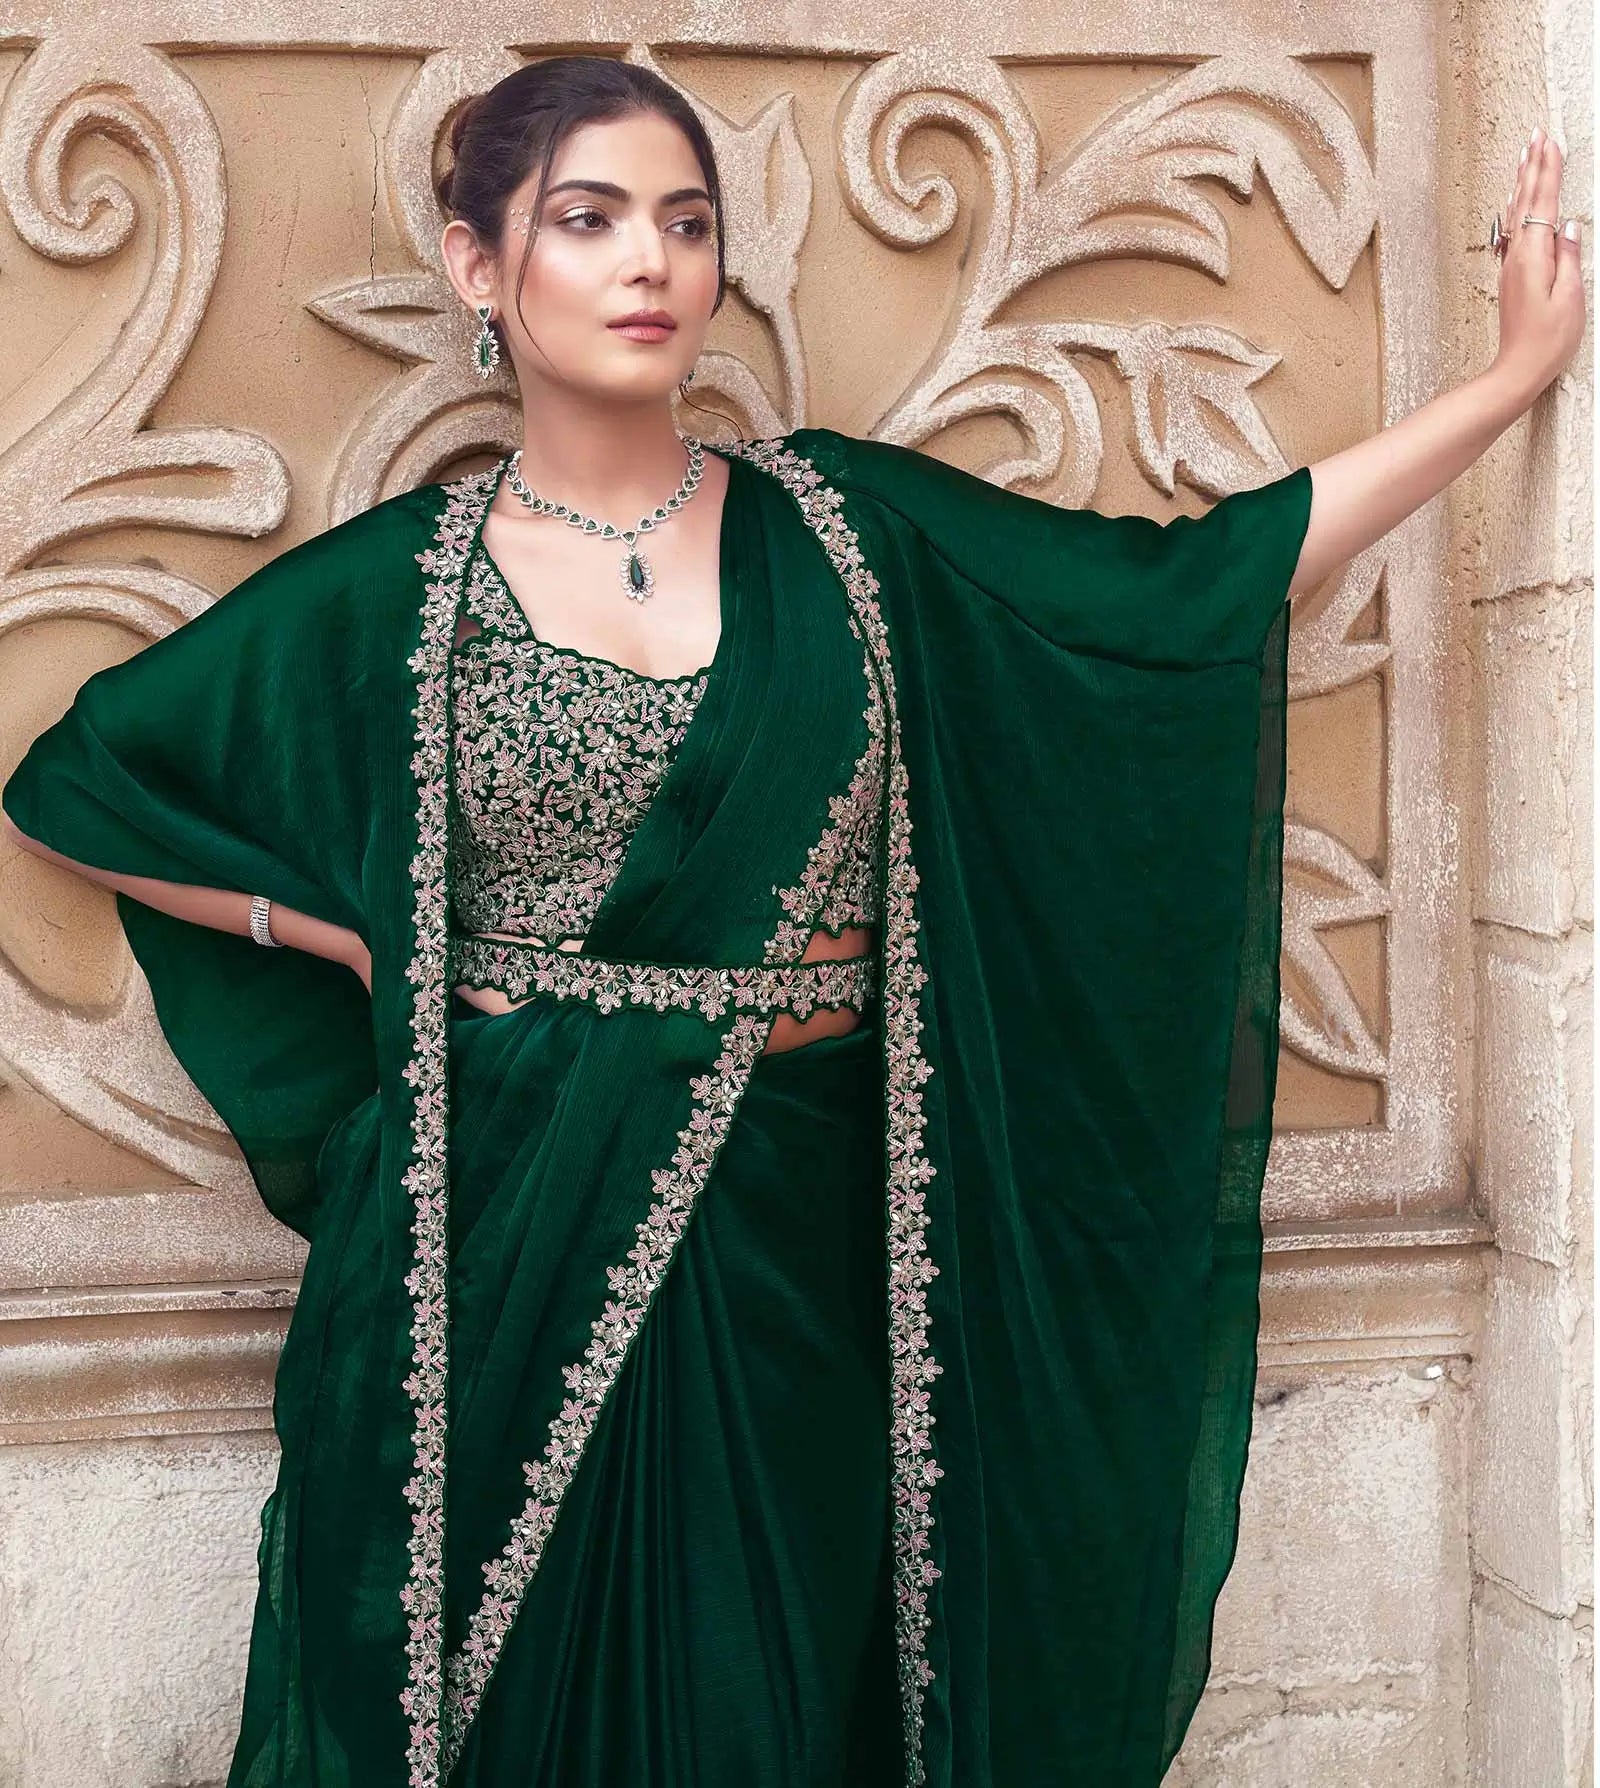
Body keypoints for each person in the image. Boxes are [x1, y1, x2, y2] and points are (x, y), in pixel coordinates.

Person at [0, 53, 1583, 1788]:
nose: (650, 262)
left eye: (686, 223)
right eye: (588, 220)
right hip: (505, 1234)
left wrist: (1508, 382)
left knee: (782, 1700)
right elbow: (85, 783)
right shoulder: (408, 588)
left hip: (806, 1245)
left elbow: (1174, 594)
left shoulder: (846, 534)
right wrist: (359, 939)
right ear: (478, 265)